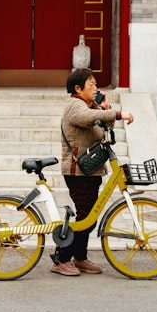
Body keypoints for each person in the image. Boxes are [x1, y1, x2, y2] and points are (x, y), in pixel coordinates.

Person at [53, 67, 134, 276]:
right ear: (78, 88)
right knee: (84, 216)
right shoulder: (74, 106)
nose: (96, 88)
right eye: (91, 85)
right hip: (77, 171)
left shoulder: (91, 107)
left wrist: (105, 108)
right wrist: (118, 113)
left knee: (89, 216)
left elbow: (101, 130)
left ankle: (79, 258)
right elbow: (88, 117)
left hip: (90, 171)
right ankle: (61, 259)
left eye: (96, 84)